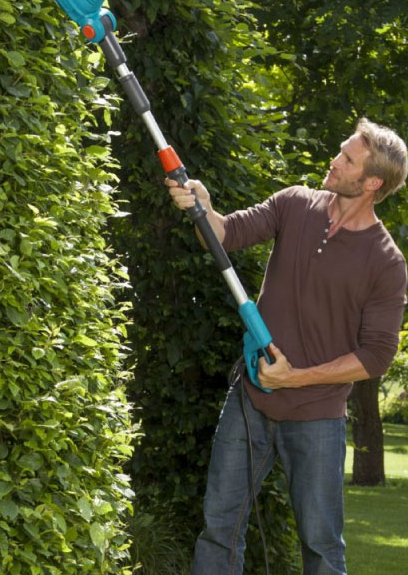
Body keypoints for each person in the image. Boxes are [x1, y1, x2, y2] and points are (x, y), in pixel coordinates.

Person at [166, 117, 407, 575]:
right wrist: (204, 209)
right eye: (341, 150)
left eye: (347, 159)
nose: (334, 162)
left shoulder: (386, 261)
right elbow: (224, 235)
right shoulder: (295, 203)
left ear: (372, 181)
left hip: (316, 417)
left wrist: (296, 377)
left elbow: (377, 356)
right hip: (251, 400)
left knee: (320, 547)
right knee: (219, 529)